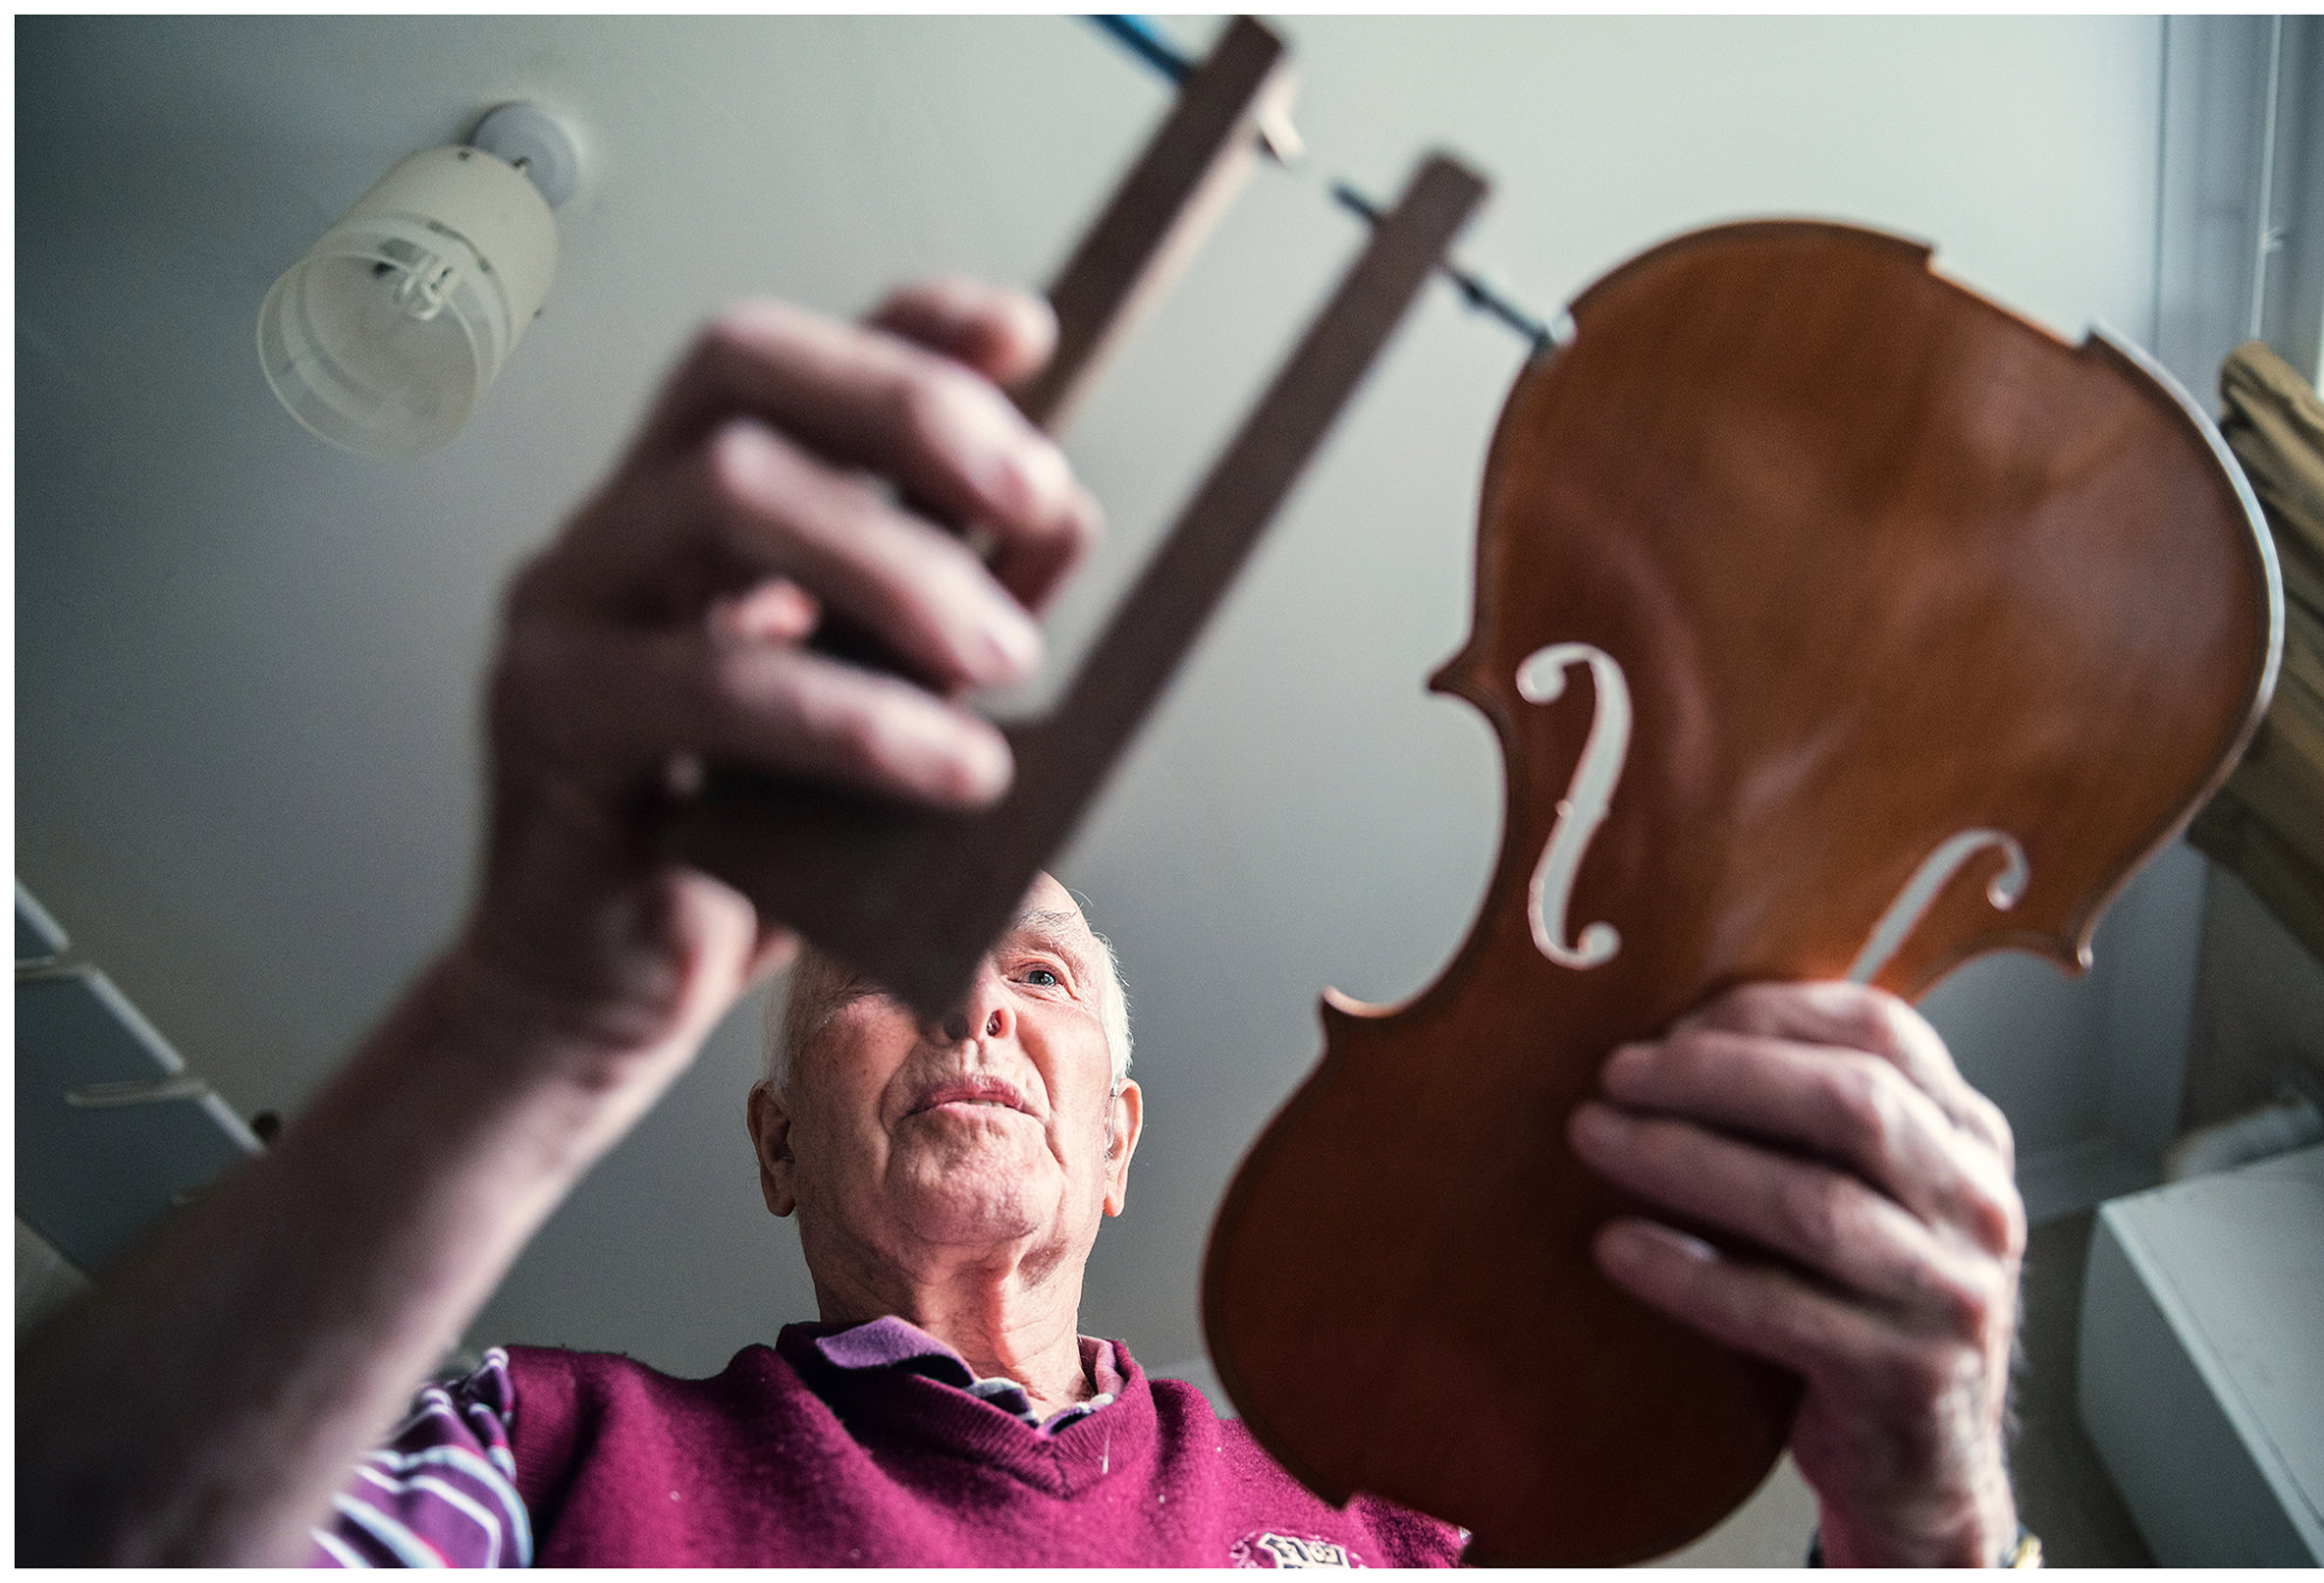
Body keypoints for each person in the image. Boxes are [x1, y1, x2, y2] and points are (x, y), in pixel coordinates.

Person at [17, 280, 2029, 1566]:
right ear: (779, 1130)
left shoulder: (1398, 1534)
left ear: (1122, 1129)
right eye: (891, 961)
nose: (974, 993)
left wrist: (1933, 1515)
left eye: (1044, 969)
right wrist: (525, 1018)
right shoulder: (537, 1447)